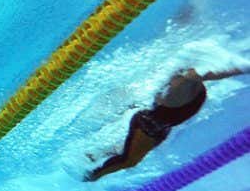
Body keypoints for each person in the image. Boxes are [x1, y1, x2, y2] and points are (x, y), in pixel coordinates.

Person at [84, 66, 246, 181]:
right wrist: (243, 67)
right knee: (129, 161)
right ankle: (90, 176)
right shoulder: (186, 79)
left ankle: (93, 156)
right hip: (150, 124)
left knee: (127, 151)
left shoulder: (182, 79)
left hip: (160, 126)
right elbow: (215, 73)